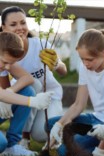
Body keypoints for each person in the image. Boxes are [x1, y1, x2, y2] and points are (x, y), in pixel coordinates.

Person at [46, 28, 104, 156]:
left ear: (103, 53)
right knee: (50, 124)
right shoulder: (84, 66)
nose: (85, 64)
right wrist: (60, 125)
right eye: (82, 59)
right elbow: (79, 104)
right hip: (95, 119)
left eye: (90, 59)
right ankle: (83, 145)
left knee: (63, 151)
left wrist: (100, 149)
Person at [0, 6, 67, 147]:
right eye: (13, 24)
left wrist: (56, 64)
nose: (20, 28)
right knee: (33, 85)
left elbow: (63, 71)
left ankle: (62, 128)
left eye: (23, 23)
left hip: (49, 97)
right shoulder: (4, 54)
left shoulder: (41, 45)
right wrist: (9, 96)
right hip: (31, 97)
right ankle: (23, 139)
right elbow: (5, 90)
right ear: (3, 28)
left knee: (41, 134)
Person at [0, 32, 53, 156]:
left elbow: (28, 78)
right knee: (0, 144)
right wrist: (33, 102)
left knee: (28, 90)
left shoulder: (4, 61)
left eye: (11, 64)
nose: (7, 67)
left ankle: (12, 146)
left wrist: (10, 91)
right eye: (5, 62)